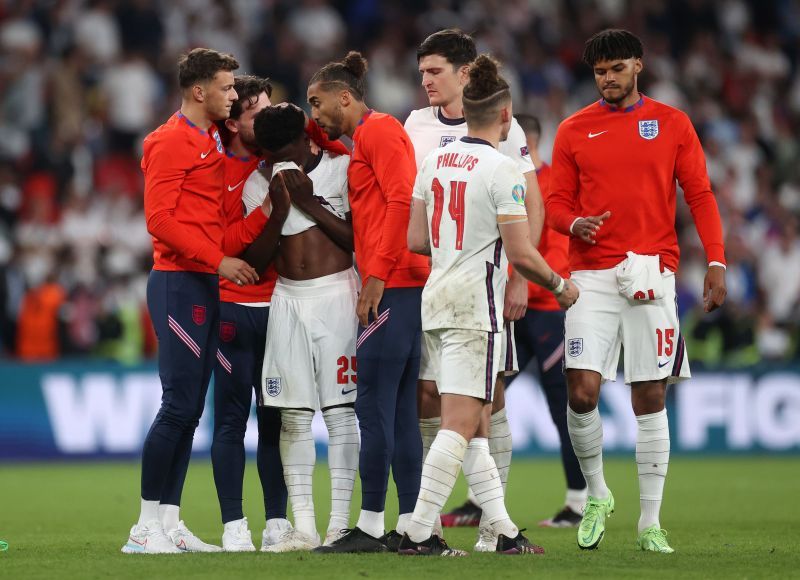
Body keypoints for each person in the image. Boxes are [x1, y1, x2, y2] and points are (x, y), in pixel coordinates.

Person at [547, 29, 727, 553]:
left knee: (650, 398)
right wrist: (573, 222)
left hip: (652, 274)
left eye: (616, 68)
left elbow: (700, 193)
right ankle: (598, 494)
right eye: (599, 71)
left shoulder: (672, 123)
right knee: (580, 390)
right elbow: (555, 204)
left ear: (638, 66)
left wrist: (715, 260)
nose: (607, 78)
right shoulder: (574, 129)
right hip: (592, 277)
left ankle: (650, 522)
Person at [401, 54, 578, 557]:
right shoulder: (504, 170)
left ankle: (499, 530)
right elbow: (521, 251)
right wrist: (559, 284)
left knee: (476, 422)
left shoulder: (434, 160)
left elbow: (416, 237)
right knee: (460, 422)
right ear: (506, 117)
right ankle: (418, 531)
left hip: (435, 297)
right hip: (476, 305)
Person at [122, 48, 257, 554]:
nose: (233, 95)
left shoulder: (211, 139)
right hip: (178, 281)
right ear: (199, 91)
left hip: (201, 283)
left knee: (191, 408)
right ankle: (142, 527)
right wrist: (218, 259)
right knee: (178, 405)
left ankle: (170, 523)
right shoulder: (169, 140)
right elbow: (158, 220)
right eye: (226, 86)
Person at [306, 51, 430, 553]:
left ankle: (374, 526)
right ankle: (413, 527)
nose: (314, 115)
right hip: (401, 284)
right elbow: (320, 134)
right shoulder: (367, 136)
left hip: (393, 284)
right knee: (399, 412)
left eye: (317, 104)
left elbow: (401, 200)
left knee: (374, 407)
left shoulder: (378, 133)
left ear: (345, 97)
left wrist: (375, 277)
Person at [251, 103, 359, 552]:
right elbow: (255, 265)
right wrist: (278, 211)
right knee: (292, 416)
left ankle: (339, 524)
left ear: (307, 138)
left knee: (339, 413)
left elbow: (357, 242)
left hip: (337, 296)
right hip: (287, 302)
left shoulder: (342, 169)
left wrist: (309, 202)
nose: (279, 159)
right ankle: (304, 528)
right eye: (270, 152)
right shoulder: (260, 181)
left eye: (286, 149)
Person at [211, 74, 291, 552]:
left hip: (278, 307)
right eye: (257, 114)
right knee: (231, 420)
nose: (267, 120)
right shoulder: (221, 171)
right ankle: (233, 525)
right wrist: (268, 212)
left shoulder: (282, 161)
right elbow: (224, 245)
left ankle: (277, 522)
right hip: (234, 309)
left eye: (270, 109)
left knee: (275, 419)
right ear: (235, 123)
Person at [511, 113, 588, 528]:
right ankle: (480, 500)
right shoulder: (507, 177)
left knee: (564, 405)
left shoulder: (555, 180)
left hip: (549, 310)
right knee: (488, 400)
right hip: (513, 307)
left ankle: (578, 502)